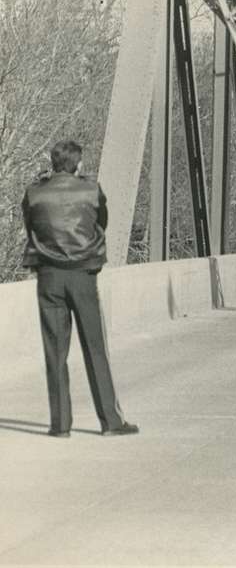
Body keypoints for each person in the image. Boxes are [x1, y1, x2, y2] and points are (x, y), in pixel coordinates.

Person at [21, 140, 138, 438]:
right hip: (83, 275)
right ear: (78, 164)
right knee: (95, 347)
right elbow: (102, 223)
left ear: (53, 162)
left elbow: (30, 226)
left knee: (55, 350)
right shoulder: (91, 190)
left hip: (48, 277)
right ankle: (111, 422)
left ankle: (59, 425)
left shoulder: (34, 194)